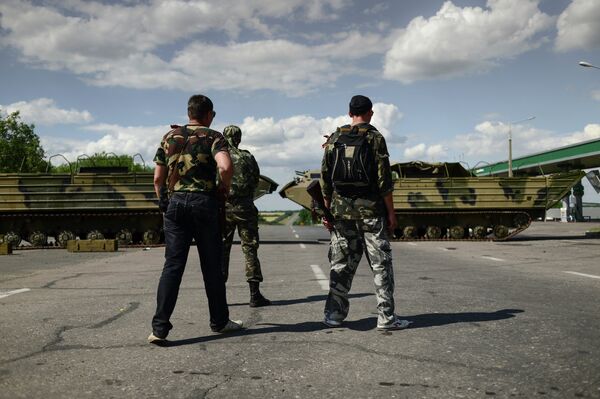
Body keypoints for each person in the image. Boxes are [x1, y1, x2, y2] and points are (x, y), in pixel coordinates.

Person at [148, 94, 243, 345]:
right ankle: (220, 321)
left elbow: (158, 178)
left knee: (173, 266)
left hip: (176, 204)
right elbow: (225, 167)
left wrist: (163, 200)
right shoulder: (214, 137)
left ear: (189, 112)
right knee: (212, 266)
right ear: (209, 114)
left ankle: (159, 328)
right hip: (204, 204)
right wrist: (223, 189)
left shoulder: (170, 137)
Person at [320, 94, 411, 331]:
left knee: (340, 264)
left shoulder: (334, 138)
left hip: (341, 213)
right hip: (371, 211)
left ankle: (334, 315)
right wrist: (391, 213)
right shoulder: (375, 138)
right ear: (370, 112)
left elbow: (325, 180)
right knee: (380, 264)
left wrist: (326, 210)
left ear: (349, 113)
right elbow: (384, 181)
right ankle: (386, 318)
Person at [221, 125, 271, 307]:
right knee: (250, 249)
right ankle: (254, 294)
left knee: (221, 250)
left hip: (223, 208)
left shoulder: (218, 156)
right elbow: (256, 180)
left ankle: (219, 297)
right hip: (245, 208)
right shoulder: (248, 157)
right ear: (239, 139)